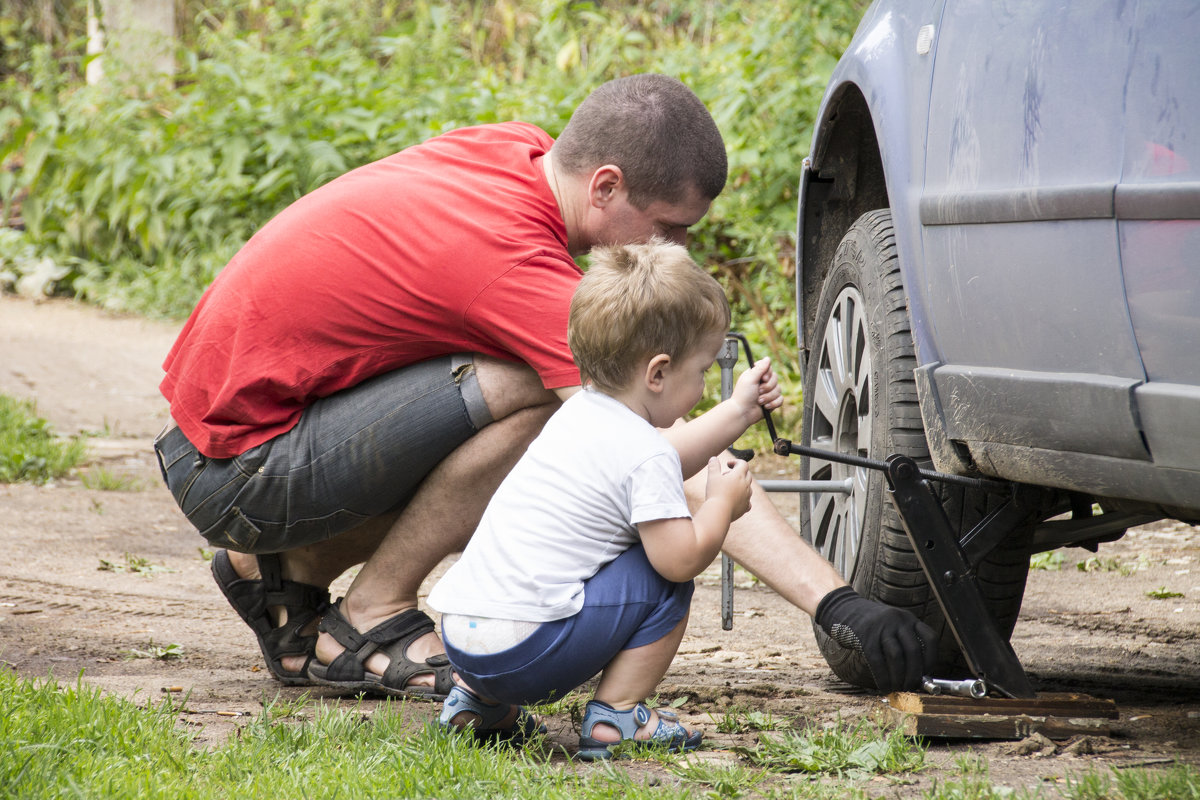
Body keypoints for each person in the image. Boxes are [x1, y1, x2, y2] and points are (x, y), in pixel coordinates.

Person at [153, 73, 936, 703]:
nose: (678, 250)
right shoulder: (519, 271)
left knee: (540, 404)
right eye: (668, 228)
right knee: (555, 401)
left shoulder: (518, 153)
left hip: (230, 434)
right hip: (238, 469)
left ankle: (289, 568)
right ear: (604, 185)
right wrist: (837, 602)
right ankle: (371, 613)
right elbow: (668, 462)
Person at [428, 238, 777, 757]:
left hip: (464, 640)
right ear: (657, 373)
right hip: (527, 654)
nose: (705, 385)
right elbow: (681, 559)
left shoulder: (580, 415)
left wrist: (739, 411)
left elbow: (658, 460)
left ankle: (476, 704)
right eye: (702, 370)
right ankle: (617, 715)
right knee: (662, 577)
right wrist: (721, 504)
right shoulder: (642, 454)